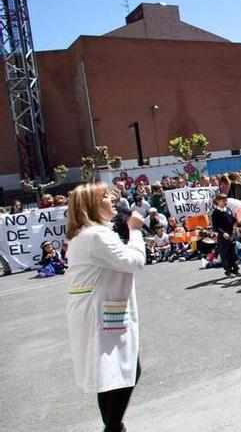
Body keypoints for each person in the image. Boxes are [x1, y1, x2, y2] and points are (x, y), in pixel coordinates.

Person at [64, 182, 147, 432]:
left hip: (95, 311)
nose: (112, 198)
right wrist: (135, 231)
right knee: (126, 368)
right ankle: (113, 427)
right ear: (92, 205)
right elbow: (133, 261)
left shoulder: (86, 234)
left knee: (109, 373)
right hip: (100, 314)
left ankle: (113, 425)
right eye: (105, 196)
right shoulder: (96, 236)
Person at [211, 194, 241, 278]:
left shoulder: (228, 209)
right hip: (223, 236)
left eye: (226, 200)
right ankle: (228, 270)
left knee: (233, 252)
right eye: (223, 201)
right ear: (217, 201)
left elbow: (232, 221)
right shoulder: (215, 213)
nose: (225, 202)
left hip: (231, 235)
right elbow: (215, 227)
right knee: (225, 253)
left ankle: (235, 269)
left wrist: (236, 222)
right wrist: (223, 233)